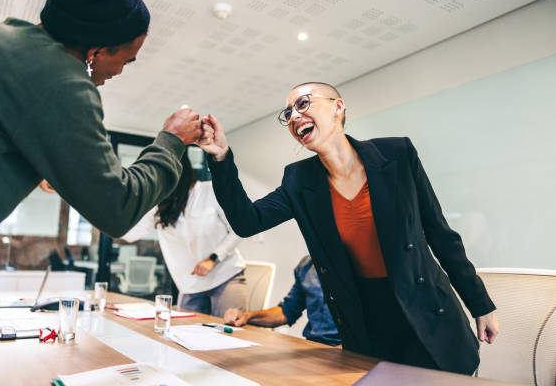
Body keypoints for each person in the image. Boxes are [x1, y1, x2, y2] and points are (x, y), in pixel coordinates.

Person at [198, 82, 499, 375]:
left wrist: (480, 304)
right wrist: (220, 157)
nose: (294, 117)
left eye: (302, 104)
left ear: (337, 108)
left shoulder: (397, 154)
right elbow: (247, 222)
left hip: (426, 308)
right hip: (367, 320)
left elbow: (440, 234)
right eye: (287, 114)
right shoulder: (299, 181)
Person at [0, 0, 202, 259]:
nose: (119, 73)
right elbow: (118, 208)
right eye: (126, 61)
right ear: (96, 52)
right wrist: (172, 140)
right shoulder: (61, 82)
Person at [122, 148, 246, 317]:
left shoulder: (209, 190)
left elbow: (241, 228)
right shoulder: (160, 205)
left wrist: (214, 258)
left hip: (225, 276)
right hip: (189, 286)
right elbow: (128, 234)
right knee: (183, 337)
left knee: (230, 337)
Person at [224, 255, 340, 346]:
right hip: (314, 346)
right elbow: (287, 311)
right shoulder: (306, 266)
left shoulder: (356, 262)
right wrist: (247, 316)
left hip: (348, 353)